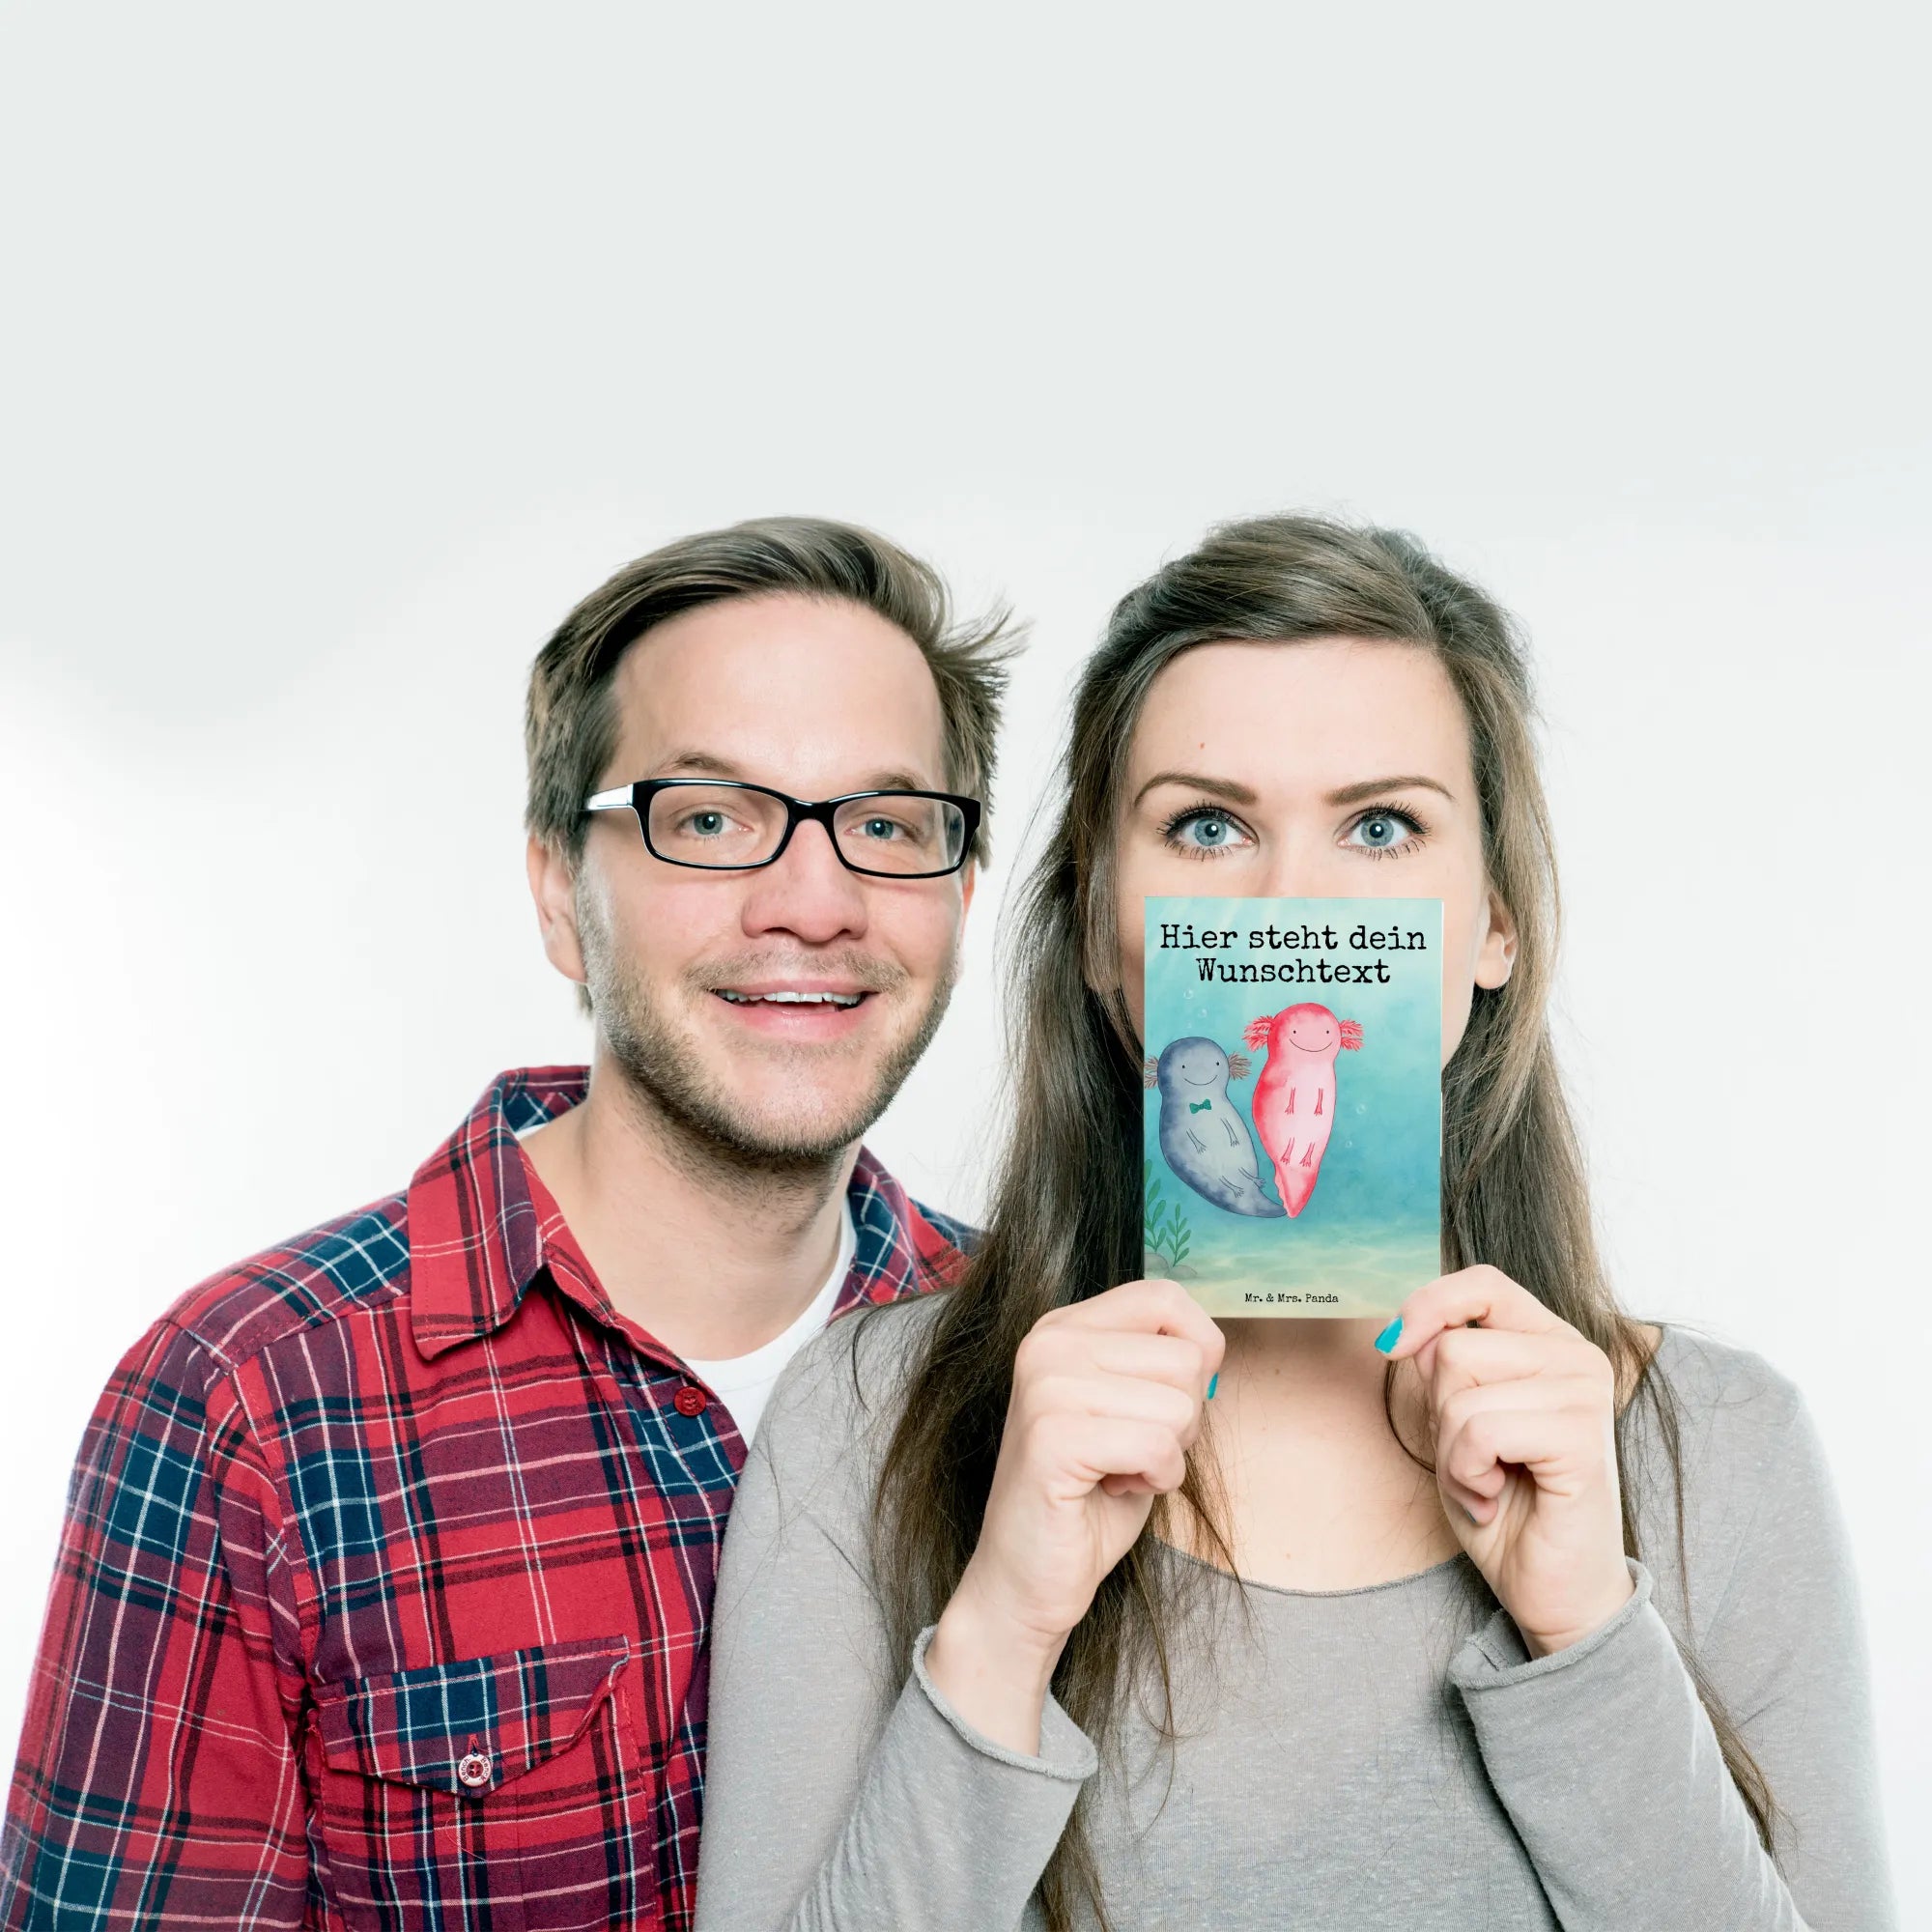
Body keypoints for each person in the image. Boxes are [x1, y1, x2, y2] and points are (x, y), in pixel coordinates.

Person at [693, 515, 1895, 1929]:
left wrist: (1585, 1632)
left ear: (1493, 924)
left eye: (1381, 827)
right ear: (1101, 927)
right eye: (1207, 828)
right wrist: (1002, 1624)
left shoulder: (1722, 1451)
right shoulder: (867, 1421)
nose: (1292, 907)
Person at [0, 517, 1015, 1930]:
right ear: (558, 894)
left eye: (888, 827)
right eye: (710, 820)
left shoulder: (1031, 1348)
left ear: (960, 891)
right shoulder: (246, 1403)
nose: (815, 902)